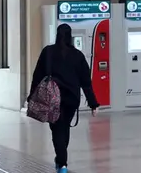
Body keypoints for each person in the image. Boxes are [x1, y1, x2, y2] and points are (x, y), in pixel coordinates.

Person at [29, 24, 99, 173]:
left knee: (57, 129)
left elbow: (37, 75)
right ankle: (61, 162)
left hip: (52, 98)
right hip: (72, 99)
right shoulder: (78, 55)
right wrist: (93, 103)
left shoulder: (47, 52)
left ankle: (62, 163)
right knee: (64, 127)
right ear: (70, 36)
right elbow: (86, 81)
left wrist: (31, 96)